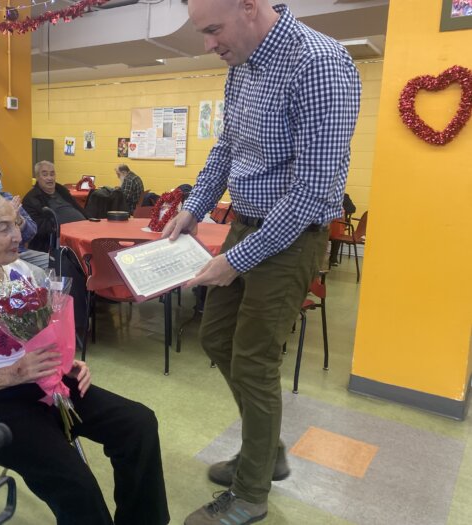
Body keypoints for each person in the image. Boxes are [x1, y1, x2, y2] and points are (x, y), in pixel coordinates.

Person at [166, 2, 361, 524]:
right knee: (215, 338)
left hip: (293, 235)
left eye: (213, 29)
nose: (208, 44)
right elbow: (226, 147)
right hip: (245, 224)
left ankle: (251, 493)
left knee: (253, 360)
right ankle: (266, 451)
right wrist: (192, 208)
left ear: (249, 7)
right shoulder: (242, 65)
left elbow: (311, 192)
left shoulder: (319, 63)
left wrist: (236, 260)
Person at [0, 191, 169, 525]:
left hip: (38, 381)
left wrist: (66, 361)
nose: (17, 235)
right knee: (74, 482)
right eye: (3, 227)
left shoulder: (18, 273)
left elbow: (41, 334)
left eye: (16, 224)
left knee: (138, 424)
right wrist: (13, 374)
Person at [22, 160, 87, 253]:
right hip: (57, 241)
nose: (50, 178)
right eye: (45, 175)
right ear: (37, 177)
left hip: (81, 231)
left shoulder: (62, 190)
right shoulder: (31, 199)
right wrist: (62, 227)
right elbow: (36, 228)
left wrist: (89, 221)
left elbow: (78, 209)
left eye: (52, 174)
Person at [328, 192, 356, 267]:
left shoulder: (345, 196)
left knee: (337, 227)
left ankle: (333, 257)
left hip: (340, 223)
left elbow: (353, 209)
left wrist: (341, 207)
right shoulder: (326, 194)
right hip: (328, 221)